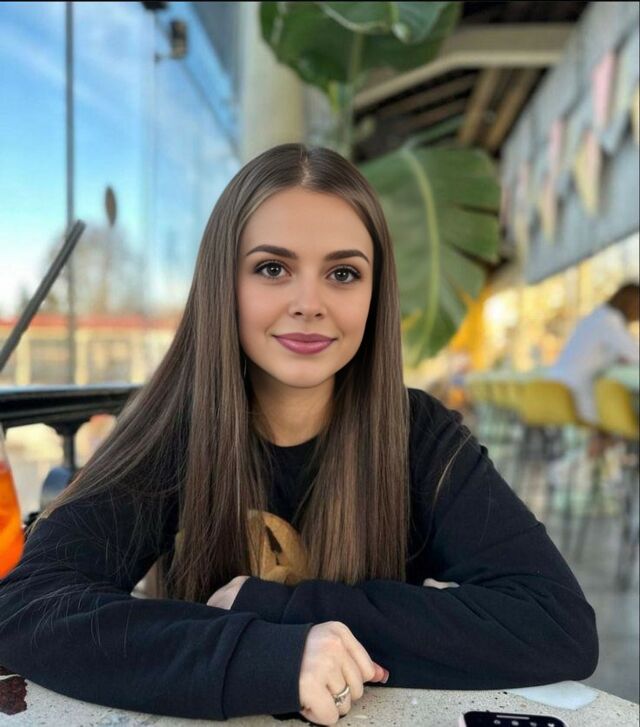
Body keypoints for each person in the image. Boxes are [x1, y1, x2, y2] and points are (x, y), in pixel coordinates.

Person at [0, 144, 598, 726]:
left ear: (375, 295)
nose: (309, 303)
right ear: (223, 283)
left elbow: (557, 623)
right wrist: (269, 657)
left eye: (343, 273)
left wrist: (279, 608)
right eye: (272, 269)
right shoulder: (173, 433)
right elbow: (28, 607)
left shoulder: (419, 435)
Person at [546, 283, 639, 453]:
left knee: (611, 423)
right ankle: (605, 452)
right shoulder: (609, 321)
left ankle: (601, 454)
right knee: (619, 417)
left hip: (558, 387)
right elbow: (635, 354)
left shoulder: (597, 317)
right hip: (574, 393)